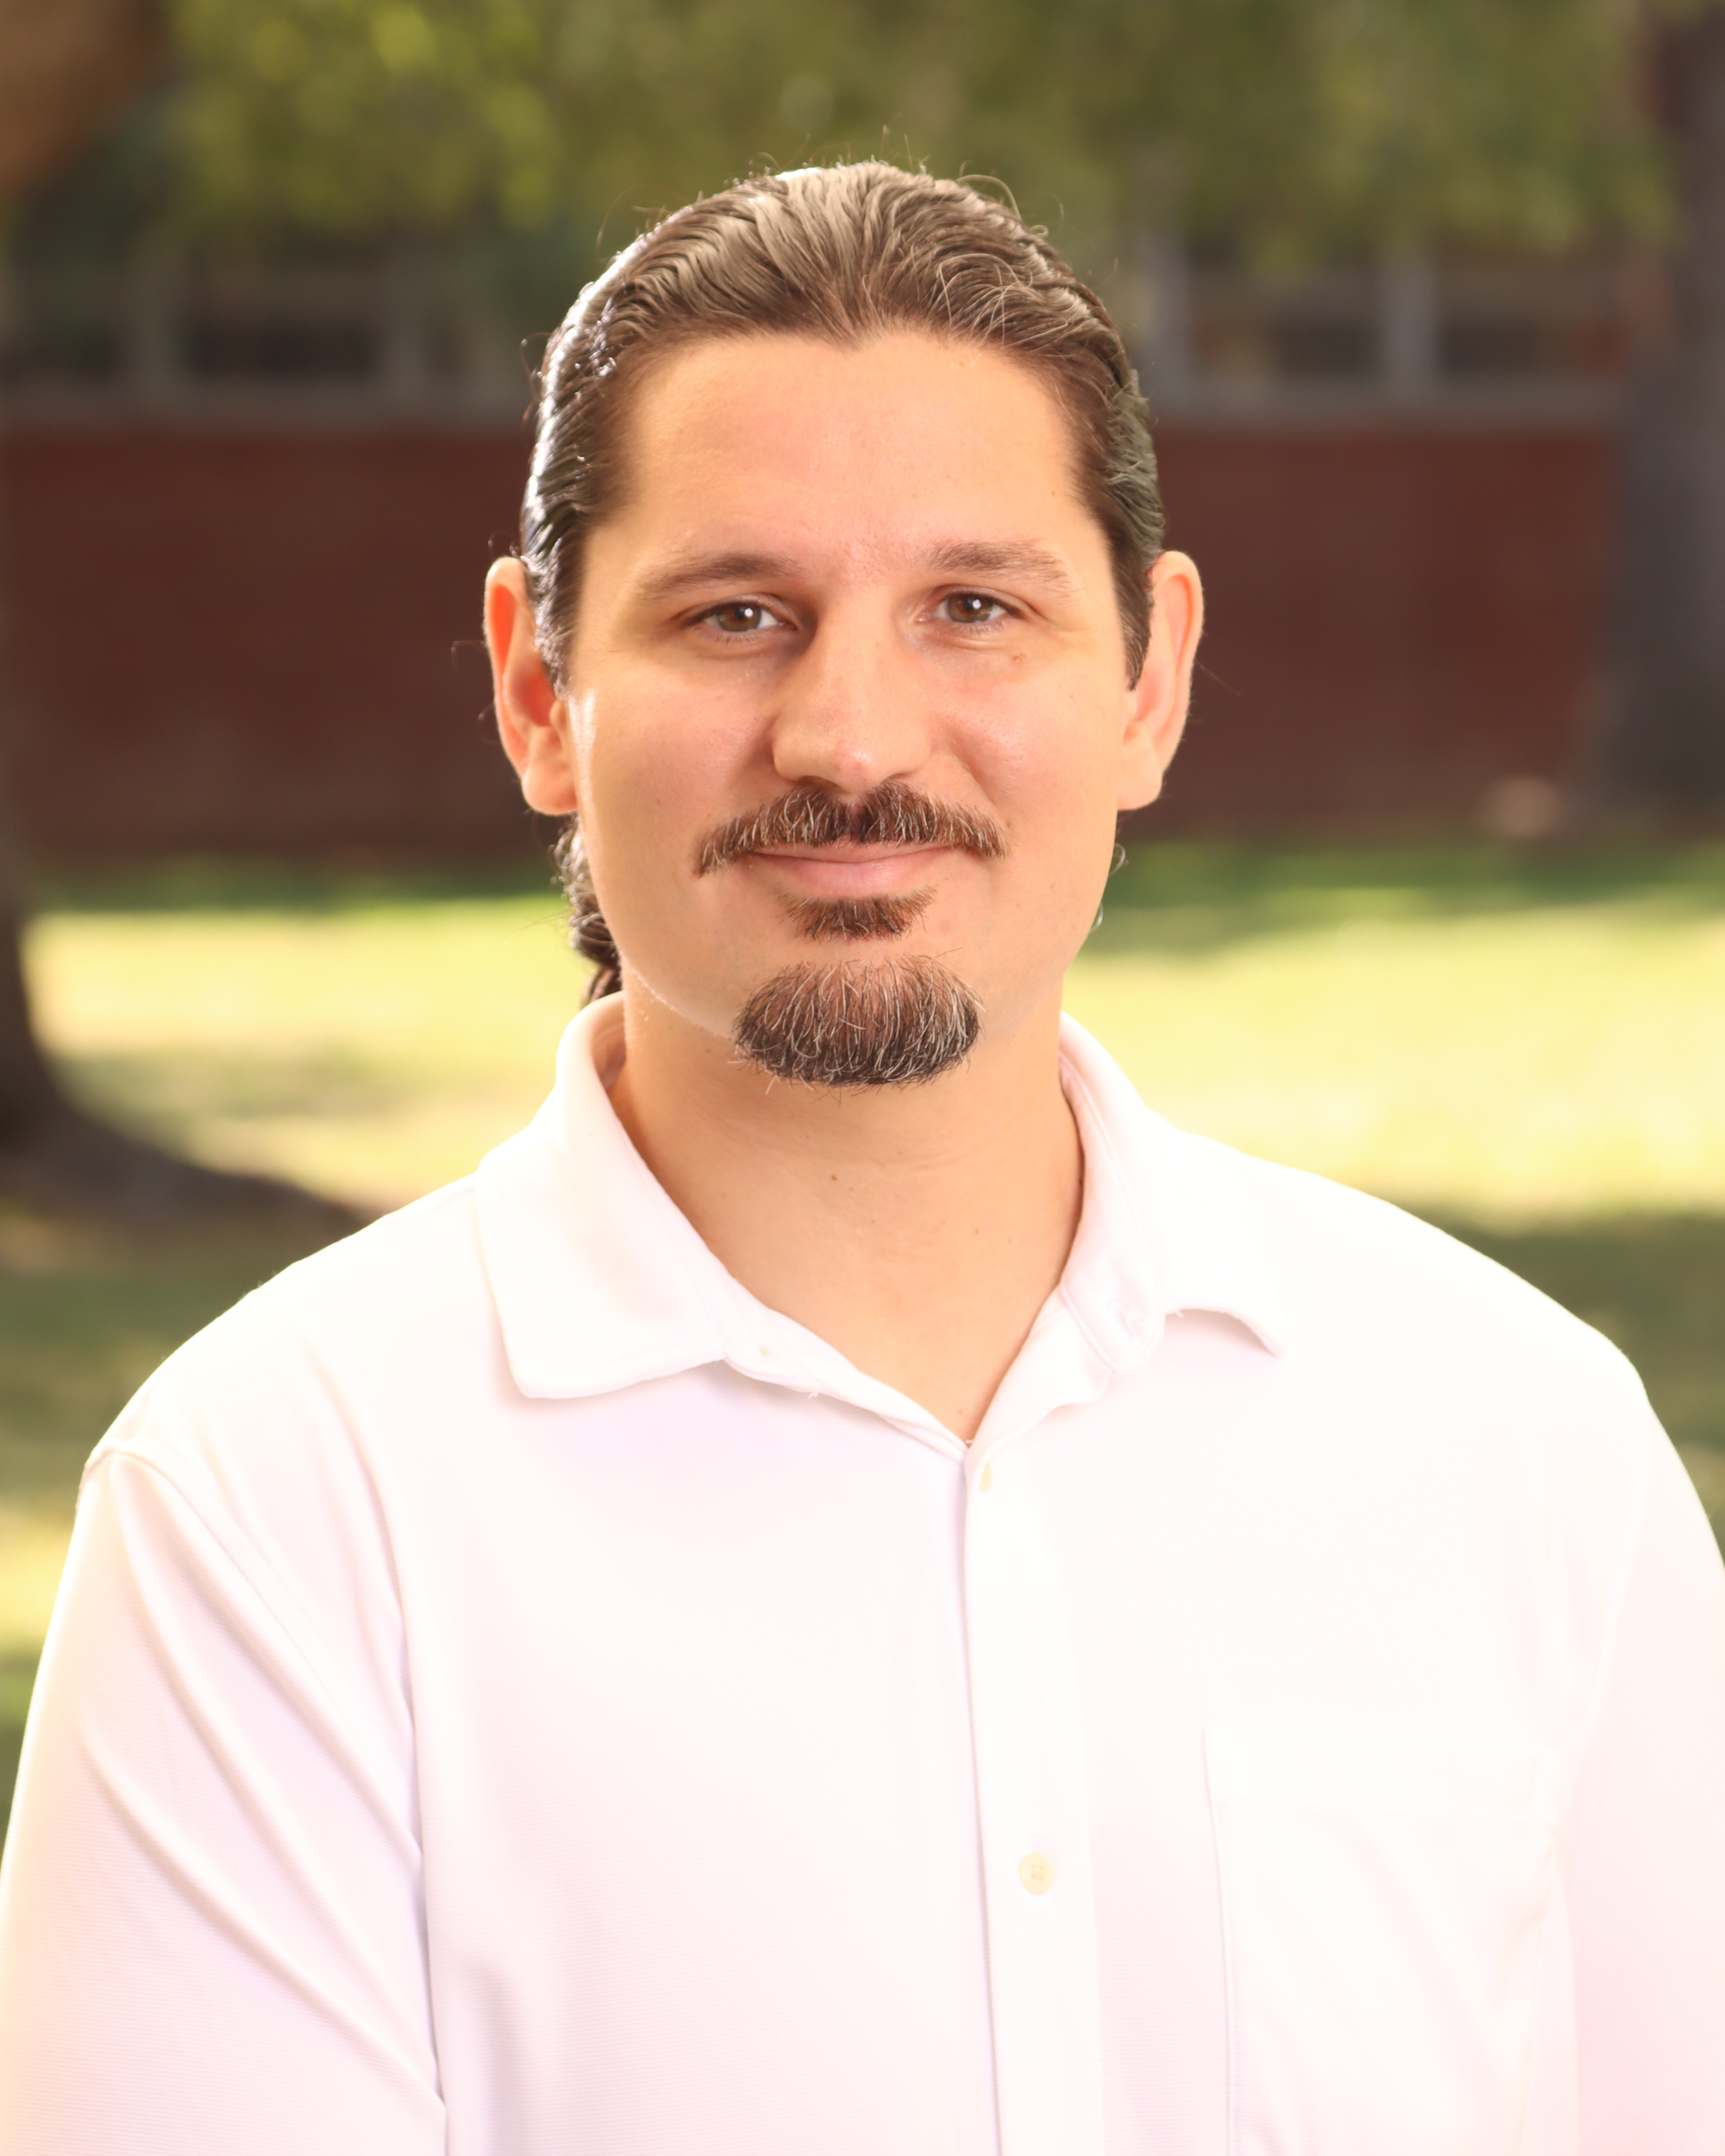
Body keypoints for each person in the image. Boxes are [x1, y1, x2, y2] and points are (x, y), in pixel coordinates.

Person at [1, 162, 1722, 2156]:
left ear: (1150, 679)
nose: (850, 737)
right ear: (539, 691)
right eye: (736, 615)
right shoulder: (268, 1517)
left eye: (974, 610)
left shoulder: (1523, 1448)